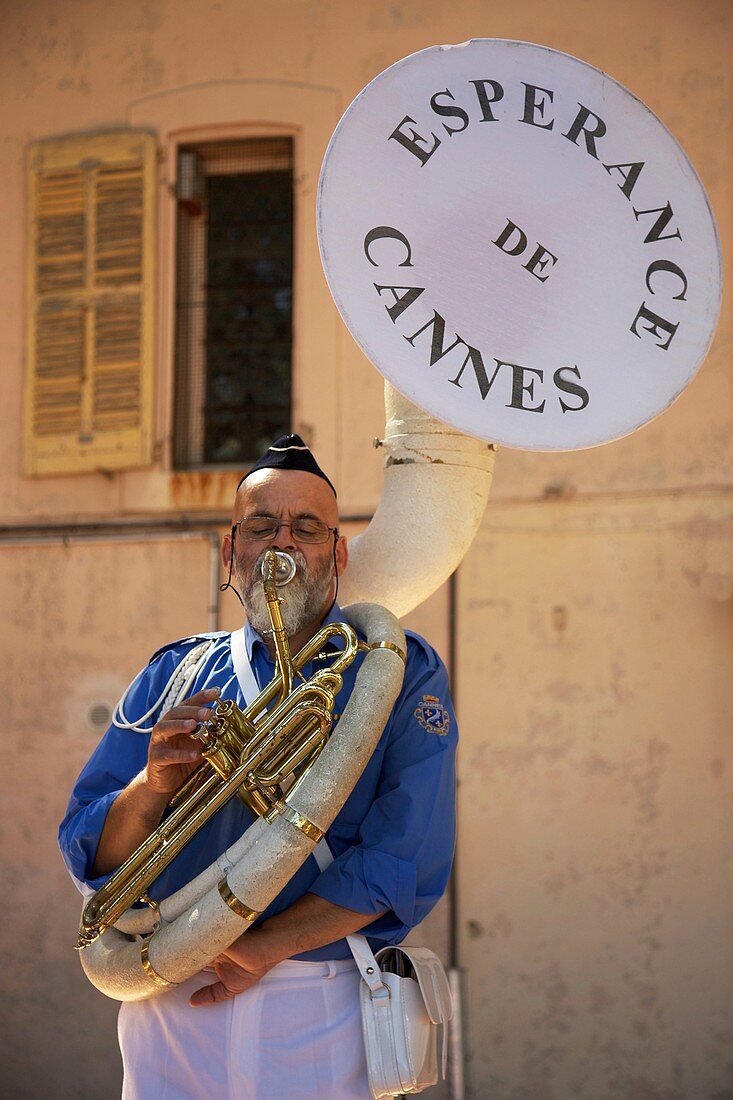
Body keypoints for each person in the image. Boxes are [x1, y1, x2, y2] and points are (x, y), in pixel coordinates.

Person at [59, 434, 458, 1100]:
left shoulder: (398, 670)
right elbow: (90, 852)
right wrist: (152, 786)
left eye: (306, 528)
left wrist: (263, 946)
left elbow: (405, 855)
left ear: (337, 553)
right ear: (230, 551)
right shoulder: (173, 670)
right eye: (262, 527)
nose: (283, 544)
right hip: (166, 999)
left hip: (316, 1000)